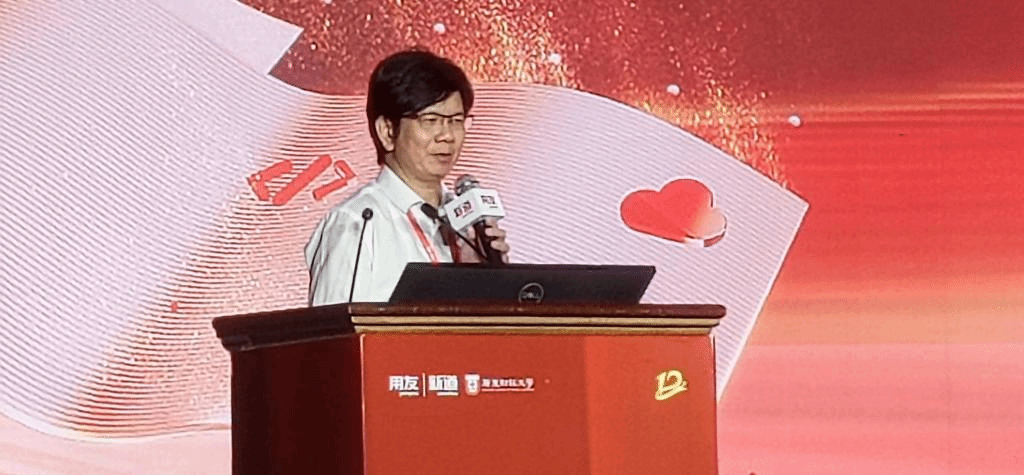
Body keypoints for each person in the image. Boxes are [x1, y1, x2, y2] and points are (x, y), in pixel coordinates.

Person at [304, 49, 510, 306]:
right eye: (431, 120)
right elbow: (332, 329)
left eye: (456, 121)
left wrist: (486, 282)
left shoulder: (465, 224)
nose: (447, 136)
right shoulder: (357, 222)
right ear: (387, 131)